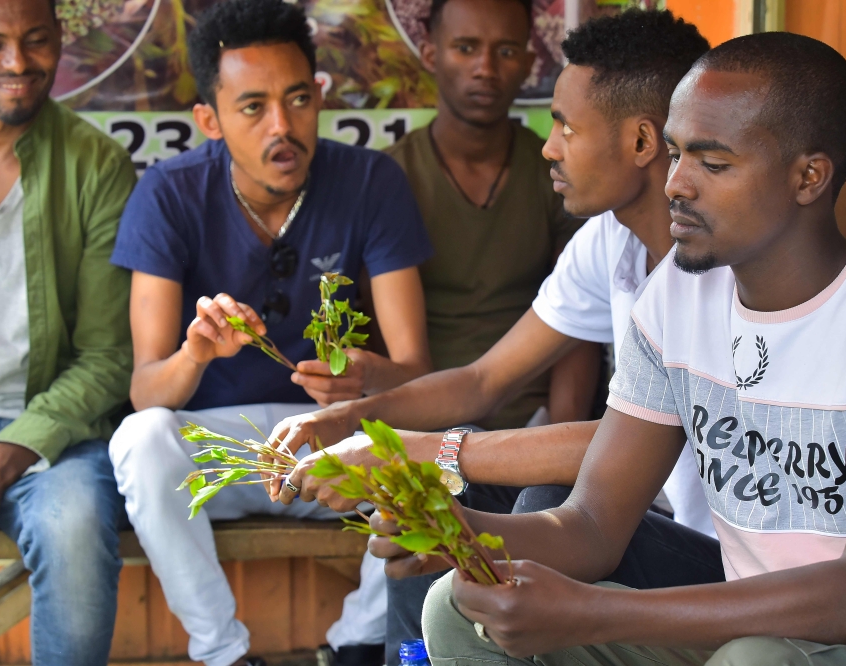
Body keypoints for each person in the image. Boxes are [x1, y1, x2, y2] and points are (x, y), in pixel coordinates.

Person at [394, 32, 846, 664]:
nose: (676, 183)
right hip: (740, 619)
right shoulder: (679, 293)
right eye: (675, 154)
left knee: (753, 659)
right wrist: (462, 533)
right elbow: (592, 525)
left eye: (714, 163)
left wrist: (594, 612)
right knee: (456, 606)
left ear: (808, 177)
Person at [267, 10, 718, 659]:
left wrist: (417, 448)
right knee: (419, 498)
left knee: (535, 497)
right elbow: (484, 379)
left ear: (643, 143)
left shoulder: (713, 269)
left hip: (712, 556)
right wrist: (354, 419)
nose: (549, 146)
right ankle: (407, 655)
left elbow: (630, 441)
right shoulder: (611, 239)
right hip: (632, 511)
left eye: (566, 125)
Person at [106, 2, 434, 666]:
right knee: (140, 440)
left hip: (327, 444)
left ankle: (359, 647)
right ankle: (222, 653)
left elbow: (418, 372)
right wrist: (196, 353)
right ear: (210, 120)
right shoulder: (168, 194)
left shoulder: (371, 182)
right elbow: (147, 392)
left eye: (296, 100)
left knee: (441, 454)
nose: (283, 127)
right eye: (252, 108)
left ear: (318, 96)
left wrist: (369, 378)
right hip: (215, 455)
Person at [0, 0, 135, 663]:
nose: (17, 63)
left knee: (73, 527)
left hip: (49, 430)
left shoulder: (97, 165)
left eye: (36, 41)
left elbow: (108, 357)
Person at [383, 0, 594, 435]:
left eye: (506, 51)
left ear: (529, 63)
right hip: (421, 426)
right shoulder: (388, 179)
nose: (485, 68)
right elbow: (376, 339)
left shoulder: (556, 174)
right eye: (464, 47)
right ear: (429, 54)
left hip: (530, 426)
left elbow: (582, 322)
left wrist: (555, 446)